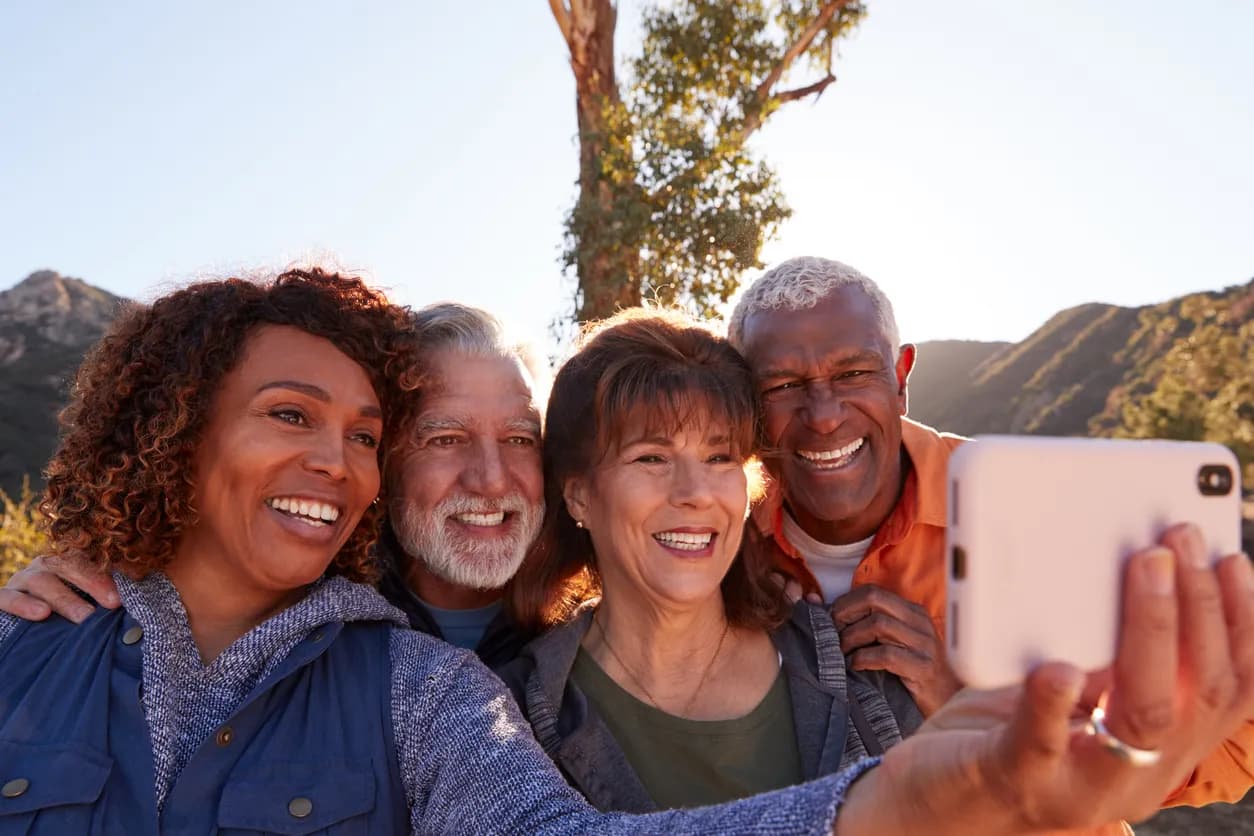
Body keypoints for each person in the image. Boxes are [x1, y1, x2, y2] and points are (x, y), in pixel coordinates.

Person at [0, 270, 1250, 834]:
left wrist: (928, 784)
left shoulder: (443, 699)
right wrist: (90, 562)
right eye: (436, 436)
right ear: (584, 493)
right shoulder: (495, 692)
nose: (489, 478)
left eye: (720, 454)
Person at [726, 254, 1254, 807]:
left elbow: (1232, 743)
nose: (825, 414)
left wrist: (981, 715)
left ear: (901, 377)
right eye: (783, 385)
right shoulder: (721, 547)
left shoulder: (1042, 510)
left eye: (853, 373)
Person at [500, 308, 920, 812]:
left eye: (720, 457)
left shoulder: (859, 674)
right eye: (651, 458)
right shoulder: (510, 719)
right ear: (579, 496)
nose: (695, 493)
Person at [1, 302, 544, 669]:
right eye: (446, 439)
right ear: (385, 461)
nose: (491, 477)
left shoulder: (606, 611)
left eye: (521, 439)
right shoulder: (298, 607)